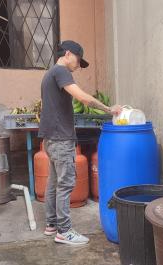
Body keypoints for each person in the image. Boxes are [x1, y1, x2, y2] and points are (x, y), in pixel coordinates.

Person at [39, 40, 121, 245]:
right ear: (67, 54)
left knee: (54, 183)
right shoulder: (61, 72)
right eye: (77, 60)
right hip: (60, 138)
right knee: (65, 184)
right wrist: (109, 109)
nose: (78, 65)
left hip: (50, 138)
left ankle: (52, 225)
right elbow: (82, 98)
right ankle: (64, 231)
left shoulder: (49, 74)